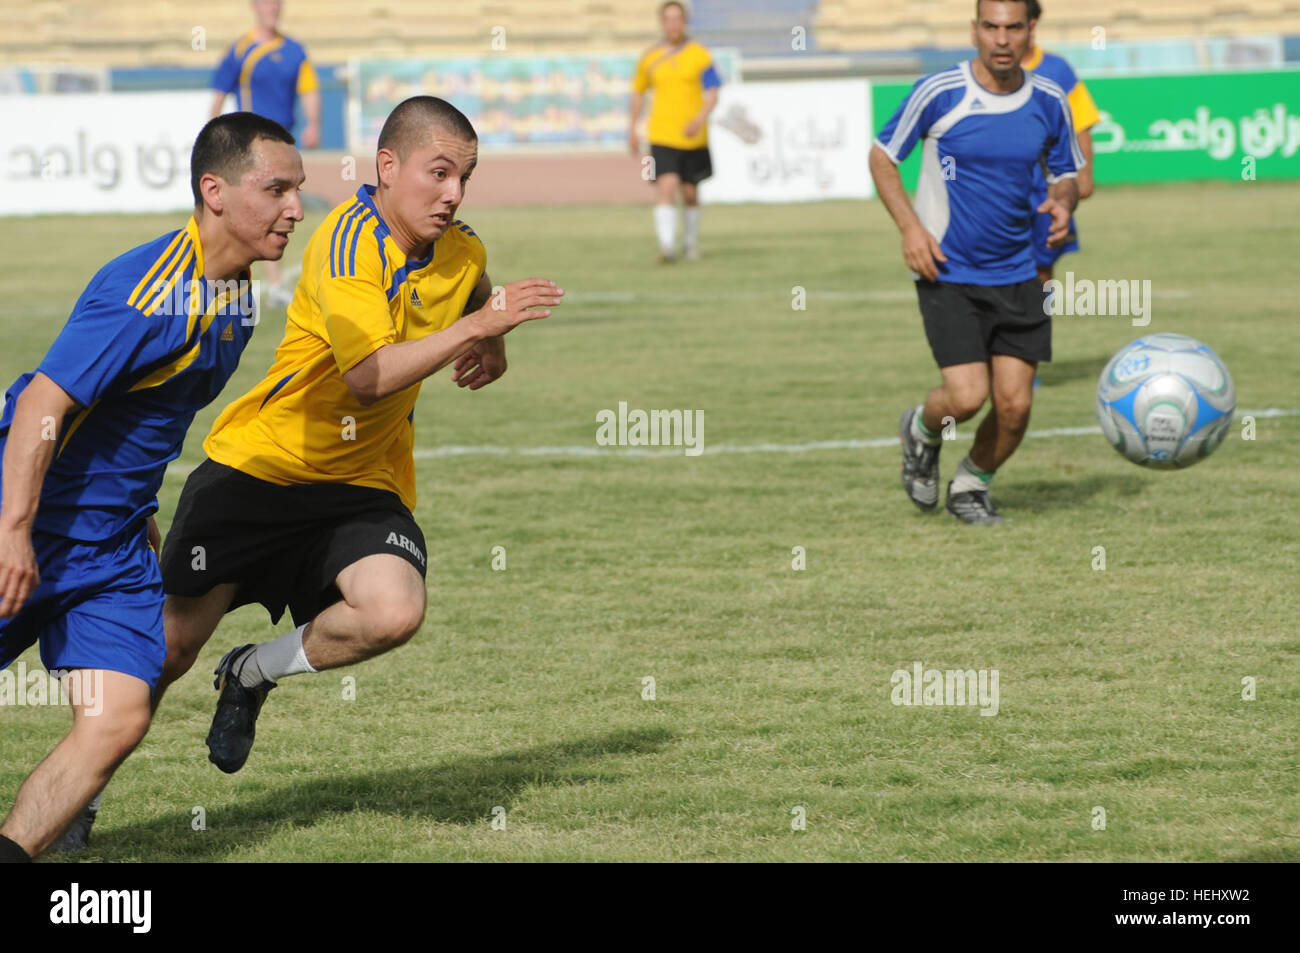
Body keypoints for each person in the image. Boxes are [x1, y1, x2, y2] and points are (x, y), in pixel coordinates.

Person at [151, 96, 562, 778]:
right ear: (388, 166)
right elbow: (369, 377)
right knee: (168, 649)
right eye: (438, 173)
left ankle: (252, 671)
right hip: (261, 470)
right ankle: (85, 797)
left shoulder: (461, 248)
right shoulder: (347, 243)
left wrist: (497, 343)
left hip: (360, 485)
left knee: (394, 609)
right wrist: (476, 330)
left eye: (466, 176)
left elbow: (475, 283)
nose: (454, 193)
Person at [0, 113, 304, 861]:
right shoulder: (148, 288)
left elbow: (145, 423)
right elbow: (44, 402)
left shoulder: (237, 301)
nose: (295, 208)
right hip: (27, 519)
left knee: (119, 716)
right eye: (277, 189)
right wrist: (13, 532)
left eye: (298, 190)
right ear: (215, 191)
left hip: (107, 546)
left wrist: (139, 517)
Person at [869, 0, 1082, 525]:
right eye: (992, 27)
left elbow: (1066, 171)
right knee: (966, 397)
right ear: (975, 32)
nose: (1002, 39)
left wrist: (1063, 201)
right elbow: (882, 156)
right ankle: (921, 430)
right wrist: (910, 229)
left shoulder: (1051, 98)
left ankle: (970, 485)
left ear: (1031, 31)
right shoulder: (941, 93)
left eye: (1014, 27)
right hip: (950, 272)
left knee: (1015, 408)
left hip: (1020, 272)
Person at [210, 0, 320, 306]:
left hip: (281, 144)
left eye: (276, 4)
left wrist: (313, 123)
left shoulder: (295, 51)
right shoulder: (240, 50)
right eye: (266, 4)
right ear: (254, 7)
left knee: (271, 210)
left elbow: (309, 89)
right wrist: (212, 135)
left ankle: (270, 283)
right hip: (248, 143)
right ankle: (229, 276)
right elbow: (219, 94)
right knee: (247, 210)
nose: (272, 9)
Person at [628, 1, 722, 262]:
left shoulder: (699, 55)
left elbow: (713, 91)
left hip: (693, 135)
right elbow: (638, 93)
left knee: (690, 192)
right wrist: (633, 128)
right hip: (661, 134)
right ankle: (667, 247)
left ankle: (691, 244)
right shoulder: (649, 58)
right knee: (665, 186)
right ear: (662, 23)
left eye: (678, 19)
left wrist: (700, 118)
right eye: (668, 19)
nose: (673, 24)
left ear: (685, 22)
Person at [1022, 0, 1101, 285]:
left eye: (1028, 24)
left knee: (1043, 267)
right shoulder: (985, 70)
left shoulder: (1057, 69)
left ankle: (1037, 326)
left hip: (1048, 186)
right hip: (1003, 184)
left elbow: (1081, 125)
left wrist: (1085, 173)